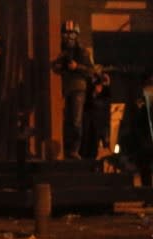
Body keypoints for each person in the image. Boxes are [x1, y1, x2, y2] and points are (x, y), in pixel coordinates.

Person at [51, 20, 94, 159]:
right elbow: (55, 66)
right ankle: (68, 149)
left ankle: (74, 149)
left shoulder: (82, 52)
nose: (68, 37)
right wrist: (57, 66)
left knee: (76, 120)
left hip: (78, 88)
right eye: (65, 33)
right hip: (66, 89)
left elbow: (91, 71)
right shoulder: (63, 53)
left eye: (71, 34)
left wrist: (77, 67)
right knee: (68, 121)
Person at [120, 73, 153, 187]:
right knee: (145, 168)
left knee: (146, 168)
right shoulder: (142, 103)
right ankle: (147, 194)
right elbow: (138, 122)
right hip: (145, 141)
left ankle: (147, 194)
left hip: (145, 140)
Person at [80, 66, 112, 159]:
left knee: (94, 139)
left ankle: (91, 159)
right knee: (87, 138)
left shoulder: (105, 88)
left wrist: (106, 85)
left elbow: (107, 101)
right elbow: (88, 100)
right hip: (89, 115)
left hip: (98, 118)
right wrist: (94, 92)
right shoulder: (89, 83)